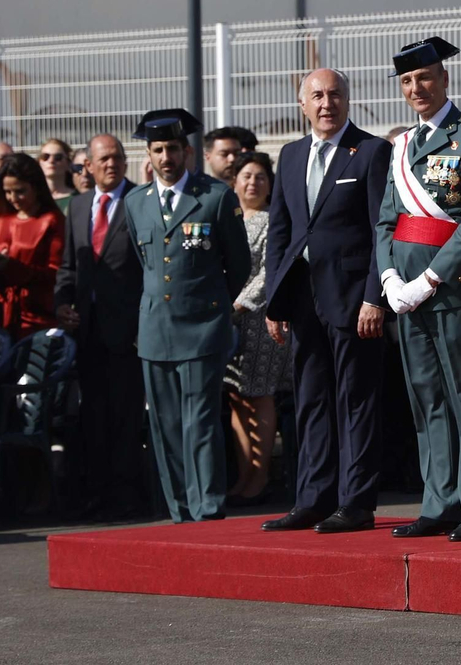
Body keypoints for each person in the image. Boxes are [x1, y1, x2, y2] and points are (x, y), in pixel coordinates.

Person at [375, 37, 461, 542]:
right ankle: (440, 501)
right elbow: (386, 221)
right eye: (407, 81)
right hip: (406, 293)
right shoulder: (403, 145)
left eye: (425, 77)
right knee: (426, 396)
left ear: (444, 78)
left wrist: (428, 280)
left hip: (452, 289)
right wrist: (390, 280)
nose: (416, 88)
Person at [262, 69, 391, 533]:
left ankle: (355, 502)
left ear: (348, 100)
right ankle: (312, 498)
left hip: (354, 300)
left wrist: (375, 298)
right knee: (311, 400)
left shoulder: (373, 151)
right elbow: (281, 233)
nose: (326, 103)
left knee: (355, 399)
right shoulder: (292, 155)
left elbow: (383, 230)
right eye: (316, 96)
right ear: (303, 105)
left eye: (335, 94)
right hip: (301, 299)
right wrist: (274, 303)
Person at [125, 108, 252, 523]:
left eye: (173, 149)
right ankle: (179, 509)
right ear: (149, 153)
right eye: (158, 149)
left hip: (201, 328)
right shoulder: (135, 202)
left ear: (187, 152)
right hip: (154, 329)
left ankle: (207, 507)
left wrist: (211, 304)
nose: (166, 157)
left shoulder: (214, 196)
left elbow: (239, 264)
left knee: (200, 422)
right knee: (165, 426)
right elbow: (143, 262)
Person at [55, 134, 147, 520]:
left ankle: (127, 494)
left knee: (126, 416)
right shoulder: (77, 207)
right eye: (103, 159)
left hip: (128, 331)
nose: (112, 164)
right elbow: (68, 268)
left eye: (118, 158)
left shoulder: (141, 202)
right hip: (88, 330)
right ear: (87, 167)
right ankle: (97, 491)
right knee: (93, 416)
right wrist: (62, 303)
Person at [218, 151, 290, 508]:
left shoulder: (273, 219)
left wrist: (240, 303)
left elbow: (268, 270)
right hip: (225, 322)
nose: (252, 182)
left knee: (259, 394)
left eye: (260, 176)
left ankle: (260, 477)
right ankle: (245, 473)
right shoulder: (227, 218)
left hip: (259, 318)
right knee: (235, 397)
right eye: (246, 176)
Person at [0, 153, 65, 339]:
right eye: (7, 192)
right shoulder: (3, 220)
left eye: (20, 191)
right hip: (1, 313)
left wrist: (12, 267)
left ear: (36, 187)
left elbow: (57, 272)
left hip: (37, 315)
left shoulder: (51, 221)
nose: (13, 198)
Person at [39, 138, 80, 213]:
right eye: (45, 157)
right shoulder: (33, 199)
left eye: (58, 157)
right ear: (39, 162)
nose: (51, 161)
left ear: (68, 163)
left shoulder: (78, 198)